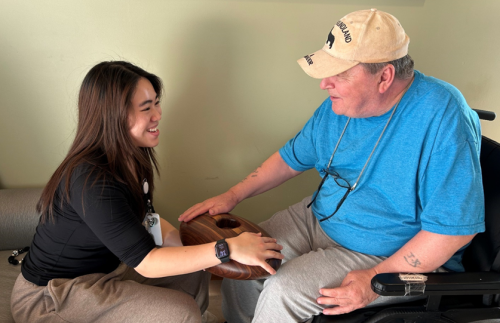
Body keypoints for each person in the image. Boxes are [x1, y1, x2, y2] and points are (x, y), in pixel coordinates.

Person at [179, 9, 485, 323]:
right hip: (319, 216)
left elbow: (452, 234)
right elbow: (291, 158)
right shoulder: (340, 104)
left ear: (384, 77)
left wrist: (375, 278)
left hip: (385, 251)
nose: (325, 83)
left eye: (339, 73)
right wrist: (233, 195)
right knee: (243, 264)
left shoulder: (444, 117)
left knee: (282, 292)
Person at [10, 61, 284, 323]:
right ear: (114, 116)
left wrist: (194, 248)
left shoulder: (132, 155)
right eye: (146, 108)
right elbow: (146, 263)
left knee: (197, 264)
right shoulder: (92, 181)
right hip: (52, 295)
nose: (158, 115)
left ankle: (195, 318)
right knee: (182, 308)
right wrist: (226, 248)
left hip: (108, 271)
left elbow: (147, 218)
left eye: (156, 103)